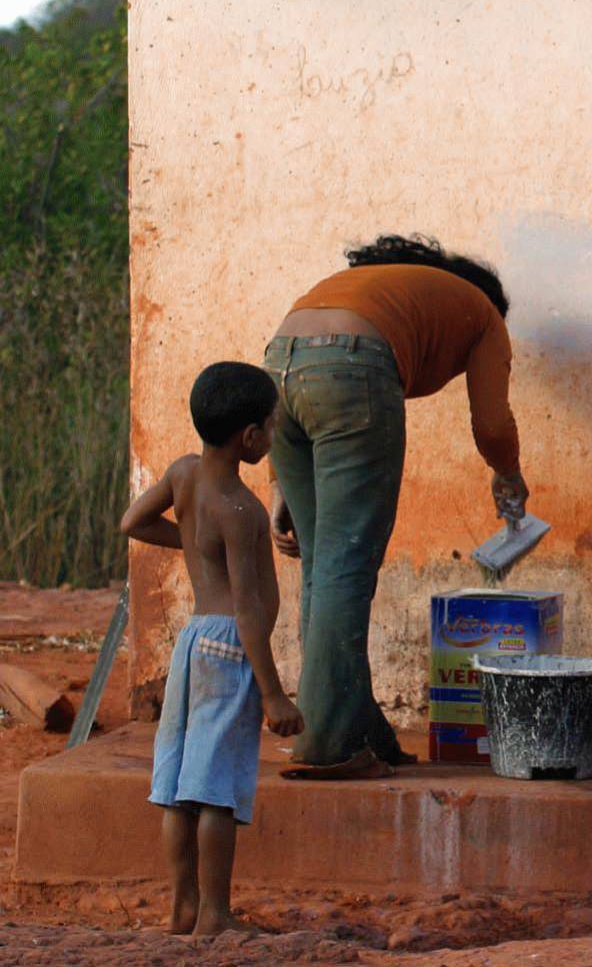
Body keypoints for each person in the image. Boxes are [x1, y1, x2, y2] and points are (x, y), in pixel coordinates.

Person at [265, 234, 528, 780]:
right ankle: (331, 745)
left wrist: (278, 487)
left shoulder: (385, 289)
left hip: (278, 369)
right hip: (353, 370)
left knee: (321, 565)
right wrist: (509, 475)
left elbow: (300, 366)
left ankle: (359, 730)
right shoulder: (483, 316)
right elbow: (493, 424)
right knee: (345, 566)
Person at [121, 362, 306, 937]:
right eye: (271, 428)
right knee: (217, 791)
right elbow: (250, 611)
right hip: (229, 648)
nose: (272, 437)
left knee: (179, 789)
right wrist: (273, 693)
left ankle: (181, 909)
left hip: (192, 642)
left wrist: (198, 550)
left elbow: (132, 521)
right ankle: (216, 916)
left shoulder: (183, 475)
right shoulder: (242, 510)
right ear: (249, 438)